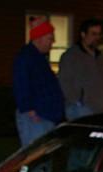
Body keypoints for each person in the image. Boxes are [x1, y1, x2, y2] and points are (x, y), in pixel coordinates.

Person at [12, 16, 65, 146]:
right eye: (50, 39)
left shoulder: (40, 58)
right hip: (36, 117)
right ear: (39, 38)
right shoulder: (26, 57)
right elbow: (21, 84)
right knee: (35, 155)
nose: (52, 42)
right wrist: (29, 110)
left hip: (47, 115)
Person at [58, 19, 103, 120]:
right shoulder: (71, 56)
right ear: (83, 34)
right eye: (93, 34)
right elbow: (64, 82)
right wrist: (78, 100)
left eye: (99, 34)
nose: (97, 38)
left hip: (101, 109)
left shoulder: (100, 57)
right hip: (81, 109)